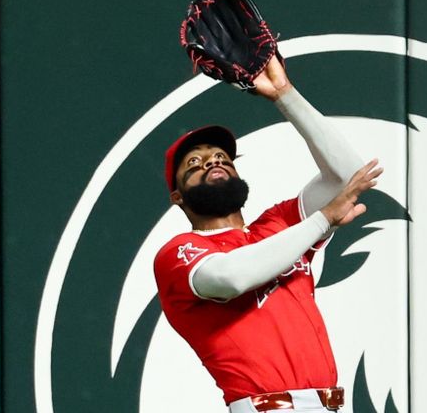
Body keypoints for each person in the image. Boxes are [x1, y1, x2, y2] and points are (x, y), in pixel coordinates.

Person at [153, 57, 382, 413]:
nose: (212, 162)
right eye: (193, 164)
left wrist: (285, 95)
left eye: (220, 156)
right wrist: (322, 221)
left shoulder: (279, 223)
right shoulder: (179, 252)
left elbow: (350, 175)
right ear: (177, 196)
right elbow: (230, 277)